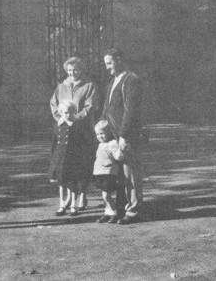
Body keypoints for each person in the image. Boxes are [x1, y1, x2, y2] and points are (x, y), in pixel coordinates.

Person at [48, 57, 98, 216]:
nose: (72, 73)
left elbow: (90, 107)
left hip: (82, 129)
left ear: (81, 70)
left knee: (82, 164)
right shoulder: (61, 86)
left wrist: (75, 118)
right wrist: (61, 118)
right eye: (69, 70)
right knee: (66, 166)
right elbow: (54, 104)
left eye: (75, 69)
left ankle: (82, 195)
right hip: (64, 127)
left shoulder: (88, 86)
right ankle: (67, 201)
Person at [100, 47, 144, 224]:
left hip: (126, 135)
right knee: (117, 175)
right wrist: (100, 125)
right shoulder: (112, 82)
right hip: (112, 135)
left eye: (109, 63)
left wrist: (124, 135)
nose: (107, 67)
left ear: (118, 60)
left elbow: (130, 111)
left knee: (130, 174)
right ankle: (118, 210)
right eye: (106, 64)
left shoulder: (131, 80)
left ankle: (133, 211)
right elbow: (106, 108)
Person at [92, 119, 124, 224]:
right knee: (104, 195)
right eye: (97, 134)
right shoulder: (100, 144)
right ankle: (108, 212)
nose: (100, 136)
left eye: (102, 133)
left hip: (109, 173)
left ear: (108, 132)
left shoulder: (112, 143)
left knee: (106, 196)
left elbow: (118, 156)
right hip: (100, 173)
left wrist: (121, 150)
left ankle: (114, 213)